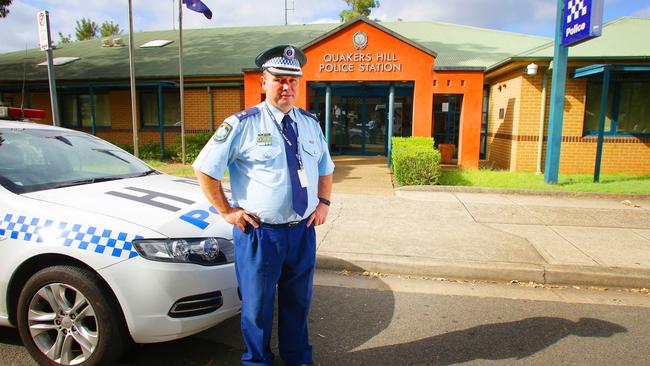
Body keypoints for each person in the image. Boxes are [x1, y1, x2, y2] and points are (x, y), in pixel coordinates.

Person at [193, 45, 334, 366]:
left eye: (293, 80)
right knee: (257, 307)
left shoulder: (310, 123)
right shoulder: (242, 124)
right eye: (279, 79)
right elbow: (205, 168)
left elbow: (325, 168)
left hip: (302, 231)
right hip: (259, 235)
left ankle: (298, 358)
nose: (287, 87)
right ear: (263, 82)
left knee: (298, 303)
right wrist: (226, 211)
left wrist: (323, 202)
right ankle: (257, 361)